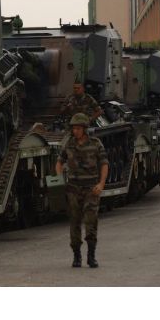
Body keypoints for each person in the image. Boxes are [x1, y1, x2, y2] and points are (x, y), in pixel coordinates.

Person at [55, 113, 109, 268]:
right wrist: (59, 180)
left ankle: (91, 256)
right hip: (73, 189)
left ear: (85, 129)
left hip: (91, 189)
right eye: (73, 128)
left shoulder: (95, 143)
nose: (75, 131)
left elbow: (104, 163)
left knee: (91, 222)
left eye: (78, 128)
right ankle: (76, 256)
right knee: (74, 222)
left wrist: (101, 184)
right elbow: (59, 162)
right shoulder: (69, 144)